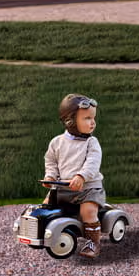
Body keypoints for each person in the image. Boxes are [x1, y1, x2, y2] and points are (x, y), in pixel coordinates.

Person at [40, 93, 109, 256]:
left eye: (93, 118)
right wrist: (50, 176)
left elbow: (92, 163)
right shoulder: (56, 142)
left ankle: (93, 243)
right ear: (70, 121)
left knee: (88, 212)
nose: (93, 122)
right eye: (87, 118)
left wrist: (81, 176)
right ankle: (45, 233)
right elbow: (51, 162)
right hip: (63, 187)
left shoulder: (91, 143)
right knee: (44, 205)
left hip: (88, 189)